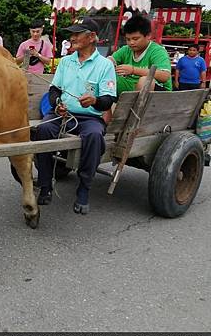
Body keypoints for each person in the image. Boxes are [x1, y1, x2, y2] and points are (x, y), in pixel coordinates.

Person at [35, 18, 117, 215]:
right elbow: (54, 89)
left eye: (77, 34)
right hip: (63, 115)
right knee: (44, 129)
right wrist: (57, 104)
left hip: (90, 118)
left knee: (94, 136)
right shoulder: (66, 61)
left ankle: (83, 189)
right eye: (72, 34)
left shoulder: (105, 65)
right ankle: (45, 185)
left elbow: (108, 99)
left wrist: (95, 101)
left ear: (91, 37)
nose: (72, 37)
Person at [108, 15, 172, 93]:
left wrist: (133, 70)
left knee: (145, 80)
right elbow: (109, 61)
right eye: (128, 39)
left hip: (159, 94)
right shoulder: (126, 49)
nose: (131, 43)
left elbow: (165, 76)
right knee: (107, 76)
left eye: (135, 39)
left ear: (148, 36)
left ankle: (136, 105)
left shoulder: (157, 51)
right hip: (132, 88)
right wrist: (108, 63)